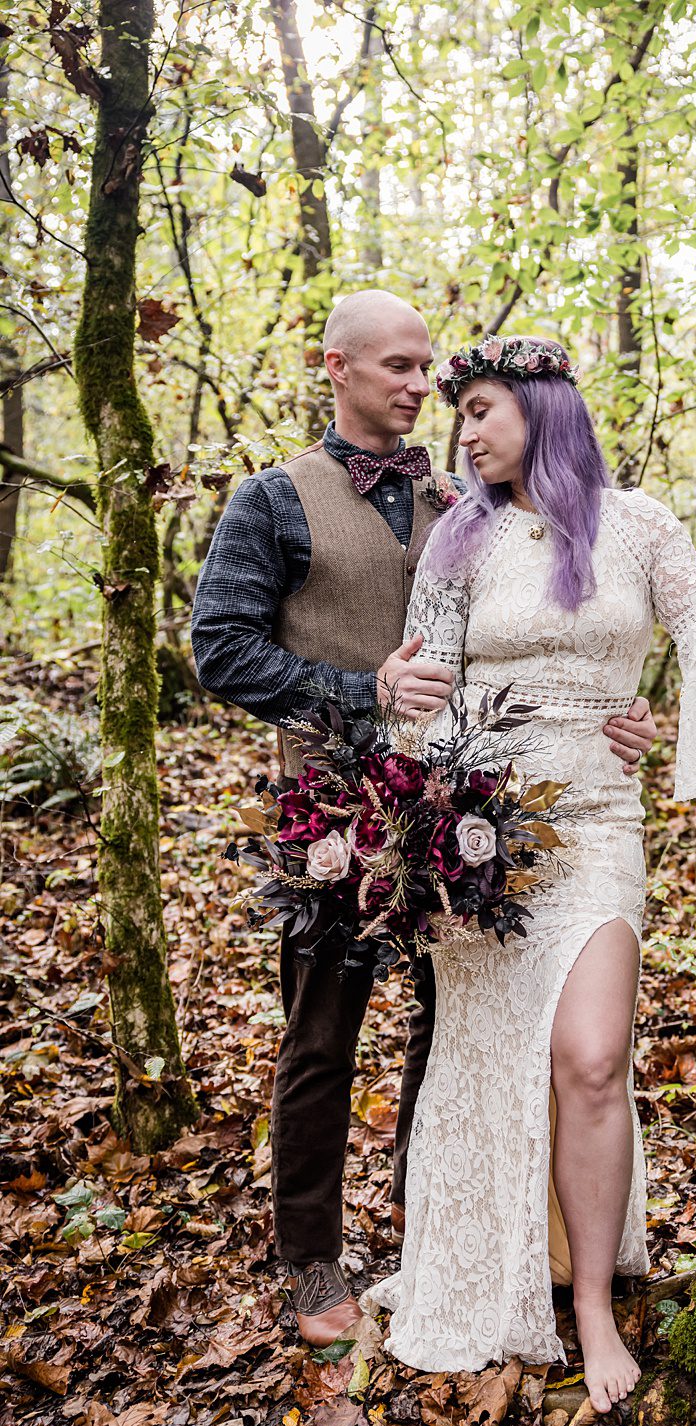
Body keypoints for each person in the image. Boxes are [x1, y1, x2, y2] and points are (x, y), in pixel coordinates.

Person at [361, 333, 696, 1412]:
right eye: (456, 415)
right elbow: (416, 689)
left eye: (480, 409)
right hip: (486, 839)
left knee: (591, 1053)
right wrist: (412, 809)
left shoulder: (640, 525)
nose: (463, 433)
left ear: (541, 406)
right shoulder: (457, 546)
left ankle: (592, 1310)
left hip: (600, 825)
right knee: (497, 1062)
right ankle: (506, 1266)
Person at [190, 294, 658, 1347]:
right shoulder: (274, 499)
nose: (417, 388)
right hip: (338, 819)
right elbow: (220, 649)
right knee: (322, 1033)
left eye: (426, 373)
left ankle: (433, 1234)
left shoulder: (473, 499)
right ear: (337, 367)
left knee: (451, 1031)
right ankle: (310, 1257)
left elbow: (555, 626)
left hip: (474, 819)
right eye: (397, 367)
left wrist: (613, 710)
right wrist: (366, 696)